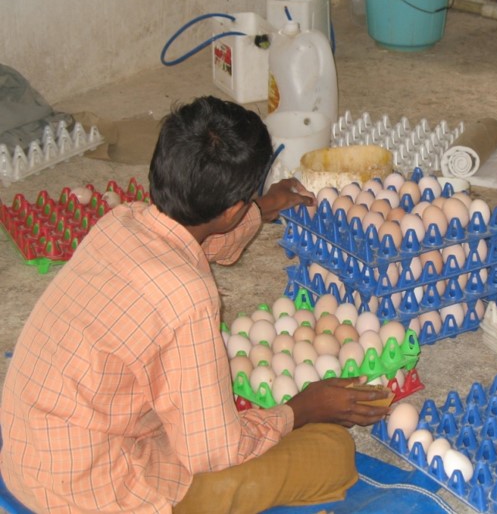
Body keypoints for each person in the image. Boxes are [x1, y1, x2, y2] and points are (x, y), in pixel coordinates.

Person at [0, 96, 391, 513]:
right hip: (92, 492)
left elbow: (199, 240)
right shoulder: (187, 296)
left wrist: (259, 208)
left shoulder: (121, 221)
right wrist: (300, 409)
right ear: (230, 210)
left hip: (31, 455)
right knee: (329, 451)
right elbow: (214, 451)